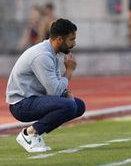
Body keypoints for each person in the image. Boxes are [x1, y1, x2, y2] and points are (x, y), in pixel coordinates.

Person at [7, 18, 86, 153]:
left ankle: (37, 133)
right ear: (60, 40)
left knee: (78, 106)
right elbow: (54, 91)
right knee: (69, 105)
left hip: (34, 99)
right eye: (71, 40)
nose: (74, 44)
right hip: (21, 104)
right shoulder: (42, 56)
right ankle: (29, 134)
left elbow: (55, 85)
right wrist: (69, 71)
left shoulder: (52, 52)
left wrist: (65, 92)